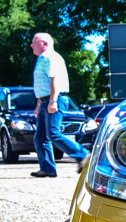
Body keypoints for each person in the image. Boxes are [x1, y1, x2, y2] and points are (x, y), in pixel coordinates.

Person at [29, 32, 89, 178]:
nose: (31, 45)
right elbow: (42, 84)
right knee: (40, 138)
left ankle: (83, 155)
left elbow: (54, 80)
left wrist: (53, 100)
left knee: (53, 133)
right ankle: (48, 168)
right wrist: (39, 104)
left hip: (54, 99)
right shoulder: (42, 59)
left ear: (43, 43)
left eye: (33, 42)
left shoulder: (50, 57)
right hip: (45, 100)